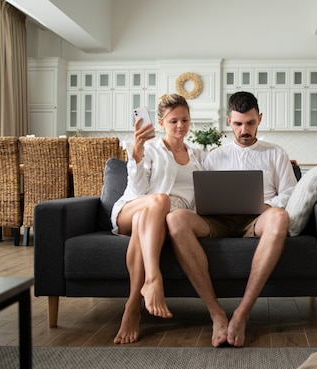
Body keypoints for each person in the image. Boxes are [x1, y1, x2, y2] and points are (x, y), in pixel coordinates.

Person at [155, 91, 298, 347]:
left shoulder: (276, 153)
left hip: (258, 219)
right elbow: (199, 195)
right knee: (176, 219)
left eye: (251, 123)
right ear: (229, 121)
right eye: (239, 123)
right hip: (218, 220)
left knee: (279, 218)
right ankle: (216, 314)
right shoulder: (214, 157)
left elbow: (290, 193)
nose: (245, 130)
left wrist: (268, 205)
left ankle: (242, 314)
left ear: (259, 119)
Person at [112, 93, 207, 344]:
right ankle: (153, 278)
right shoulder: (151, 148)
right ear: (161, 122)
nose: (180, 126)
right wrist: (137, 151)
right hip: (133, 207)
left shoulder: (198, 155)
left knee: (154, 215)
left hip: (157, 219)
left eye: (185, 120)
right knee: (159, 200)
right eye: (173, 120)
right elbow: (138, 190)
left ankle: (132, 307)